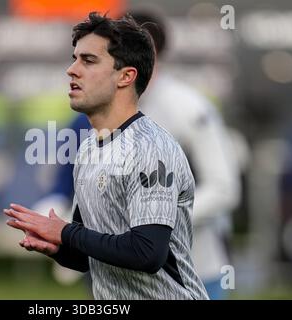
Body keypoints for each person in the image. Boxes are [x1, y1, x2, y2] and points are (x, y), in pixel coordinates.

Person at [33, 9, 242, 299]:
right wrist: (57, 225)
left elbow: (224, 189)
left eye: (91, 59)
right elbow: (63, 186)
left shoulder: (189, 109)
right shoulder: (89, 119)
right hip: (116, 270)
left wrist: (148, 221)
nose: (74, 70)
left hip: (193, 267)